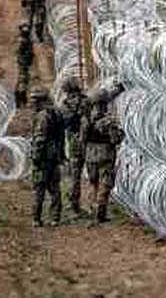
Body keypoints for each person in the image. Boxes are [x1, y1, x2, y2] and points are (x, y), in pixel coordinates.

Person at [79, 85, 124, 225]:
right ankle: (100, 212)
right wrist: (120, 133)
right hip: (105, 154)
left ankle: (92, 208)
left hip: (90, 154)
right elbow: (115, 139)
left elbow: (82, 139)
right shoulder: (108, 121)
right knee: (106, 184)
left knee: (94, 183)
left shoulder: (86, 119)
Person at [30, 89, 64, 227]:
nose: (33, 105)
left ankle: (36, 219)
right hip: (54, 155)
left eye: (35, 102)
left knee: (39, 188)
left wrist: (36, 157)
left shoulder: (42, 116)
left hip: (44, 157)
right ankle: (55, 217)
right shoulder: (55, 112)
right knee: (55, 188)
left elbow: (40, 139)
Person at [57, 79, 88, 218]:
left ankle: (74, 204)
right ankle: (95, 204)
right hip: (90, 142)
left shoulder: (65, 106)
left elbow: (63, 124)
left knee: (75, 175)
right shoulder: (86, 101)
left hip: (73, 141)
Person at [15, 23, 34, 108]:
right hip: (23, 63)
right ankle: (20, 101)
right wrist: (24, 62)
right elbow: (20, 53)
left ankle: (21, 100)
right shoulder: (23, 41)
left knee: (23, 80)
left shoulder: (25, 40)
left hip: (24, 63)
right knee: (23, 80)